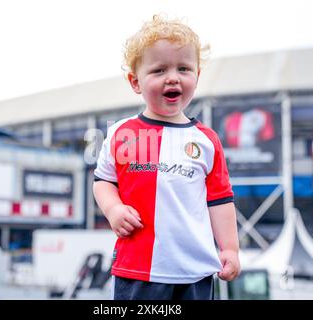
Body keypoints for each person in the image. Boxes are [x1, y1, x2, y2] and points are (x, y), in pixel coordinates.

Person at [93, 14, 240, 300]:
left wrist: (230, 248)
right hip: (137, 271)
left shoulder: (206, 141)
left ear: (197, 76)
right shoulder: (122, 133)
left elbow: (220, 200)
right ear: (135, 82)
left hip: (195, 273)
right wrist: (113, 210)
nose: (173, 77)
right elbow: (102, 181)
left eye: (184, 68)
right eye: (159, 70)